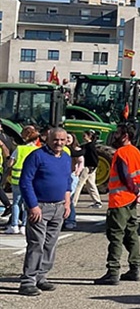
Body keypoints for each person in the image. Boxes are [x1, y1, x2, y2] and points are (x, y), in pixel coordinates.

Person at [17, 127, 72, 296]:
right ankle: (28, 281)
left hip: (59, 207)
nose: (59, 143)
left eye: (62, 140)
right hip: (40, 207)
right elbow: (25, 182)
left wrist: (67, 203)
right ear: (48, 139)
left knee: (50, 244)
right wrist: (33, 206)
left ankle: (41, 276)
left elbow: (67, 181)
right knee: (36, 244)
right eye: (56, 139)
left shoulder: (65, 157)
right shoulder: (36, 156)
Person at [94, 124, 140, 285]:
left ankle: (113, 271)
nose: (115, 135)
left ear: (125, 136)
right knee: (132, 235)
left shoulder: (121, 153)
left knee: (116, 236)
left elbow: (124, 177)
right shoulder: (137, 153)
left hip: (120, 200)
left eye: (117, 133)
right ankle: (135, 268)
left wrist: (134, 191)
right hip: (131, 201)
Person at [5, 126, 42, 235]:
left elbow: (10, 163)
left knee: (16, 202)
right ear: (35, 140)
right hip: (32, 180)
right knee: (28, 202)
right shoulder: (37, 150)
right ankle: (24, 225)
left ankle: (14, 225)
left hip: (17, 179)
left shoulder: (19, 149)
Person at [74, 130, 103, 209]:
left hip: (88, 167)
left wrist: (93, 166)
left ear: (89, 137)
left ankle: (73, 202)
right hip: (91, 167)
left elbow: (94, 157)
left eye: (84, 136)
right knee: (91, 184)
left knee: (79, 184)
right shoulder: (88, 145)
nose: (83, 137)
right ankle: (97, 201)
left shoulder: (89, 146)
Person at [63, 132, 83, 231]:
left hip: (72, 175)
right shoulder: (63, 149)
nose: (67, 139)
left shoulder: (76, 150)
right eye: (65, 138)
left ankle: (71, 220)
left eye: (69, 138)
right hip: (63, 176)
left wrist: (78, 171)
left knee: (69, 198)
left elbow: (81, 161)